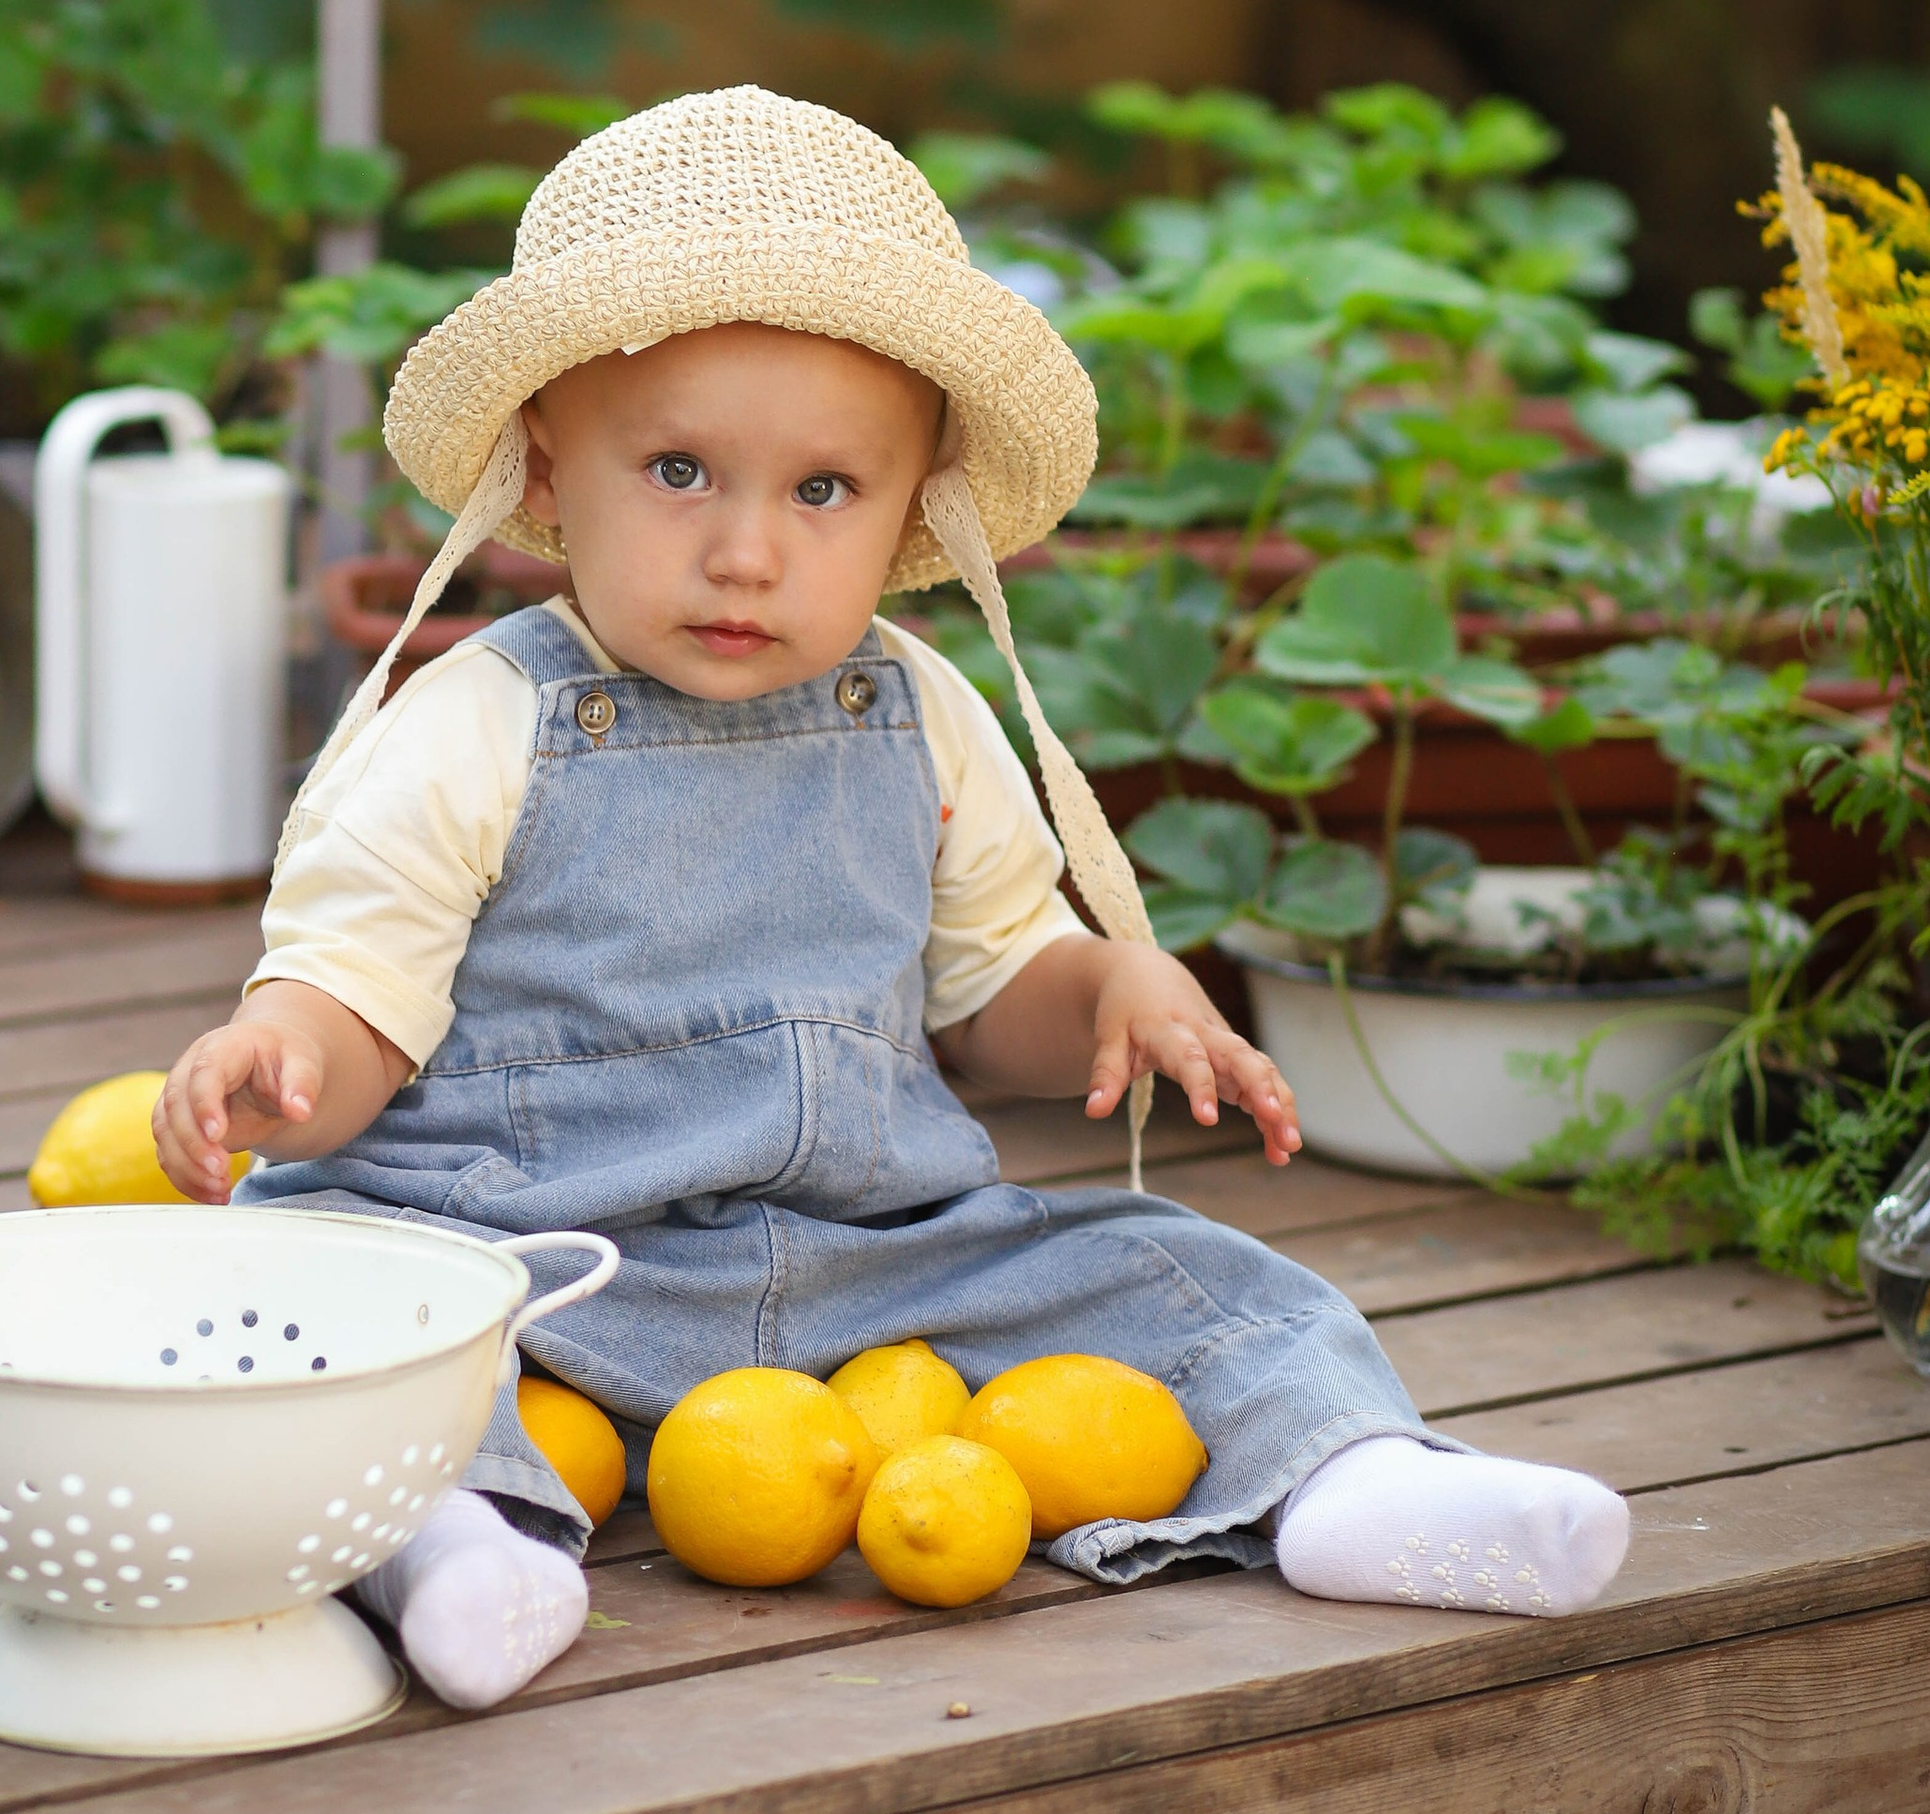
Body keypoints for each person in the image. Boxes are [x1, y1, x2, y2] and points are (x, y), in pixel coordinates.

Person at [153, 89, 1629, 1709]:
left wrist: (1111, 988)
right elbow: (359, 981)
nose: (744, 553)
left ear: (918, 502)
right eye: (679, 471)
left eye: (822, 493)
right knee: (319, 1304)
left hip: (862, 1264)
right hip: (518, 1255)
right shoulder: (481, 719)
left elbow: (996, 999)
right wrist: (286, 1059)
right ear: (545, 475)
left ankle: (1347, 1480)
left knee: (1179, 1271)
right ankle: (457, 1541)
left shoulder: (918, 714)